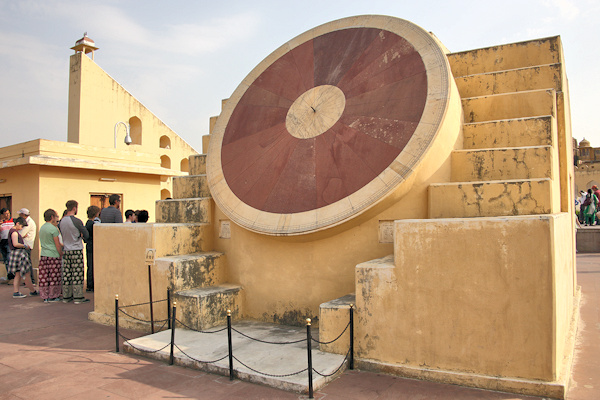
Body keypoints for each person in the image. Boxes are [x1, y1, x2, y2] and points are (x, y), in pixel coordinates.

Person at [59, 200, 89, 304]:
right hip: (76, 248)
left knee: (67, 273)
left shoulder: (61, 221)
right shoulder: (77, 221)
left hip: (66, 249)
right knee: (78, 273)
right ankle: (78, 296)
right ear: (75, 208)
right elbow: (86, 234)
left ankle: (66, 296)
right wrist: (81, 236)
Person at [7, 217, 37, 298]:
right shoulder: (14, 232)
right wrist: (24, 246)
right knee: (26, 273)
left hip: (15, 254)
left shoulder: (13, 231)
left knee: (18, 274)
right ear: (17, 224)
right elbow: (15, 244)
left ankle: (16, 292)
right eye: (21, 226)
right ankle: (32, 291)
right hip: (18, 253)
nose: (22, 228)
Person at [38, 209, 63, 303]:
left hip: (44, 254)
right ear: (52, 217)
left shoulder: (42, 228)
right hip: (53, 255)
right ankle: (53, 295)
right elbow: (57, 244)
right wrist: (60, 253)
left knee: (44, 276)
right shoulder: (53, 229)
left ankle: (44, 295)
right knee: (54, 276)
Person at [18, 208, 36, 284]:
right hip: (25, 244)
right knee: (25, 263)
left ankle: (31, 281)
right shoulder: (27, 221)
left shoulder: (29, 222)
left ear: (23, 215)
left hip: (27, 245)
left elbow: (20, 234)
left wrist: (20, 233)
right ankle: (28, 281)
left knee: (27, 263)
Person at [85, 205, 101, 292]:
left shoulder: (88, 223)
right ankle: (91, 285)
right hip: (92, 245)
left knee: (90, 265)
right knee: (92, 266)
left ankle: (89, 284)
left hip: (89, 245)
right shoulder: (93, 224)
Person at [0, 208, 15, 282]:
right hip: (3, 242)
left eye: (8, 213)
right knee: (6, 260)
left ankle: (12, 275)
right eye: (5, 214)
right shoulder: (1, 223)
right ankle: (9, 276)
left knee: (9, 258)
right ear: (2, 215)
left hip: (10, 241)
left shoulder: (13, 221)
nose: (7, 215)